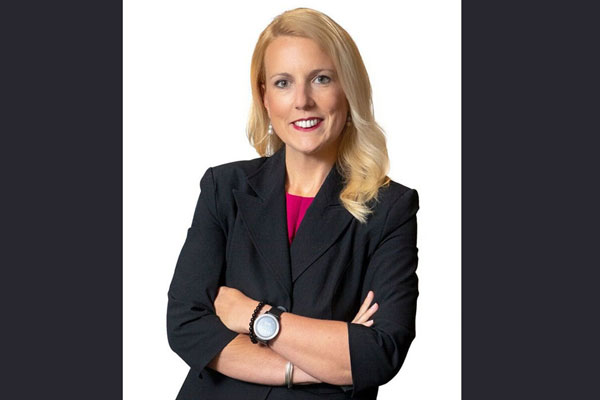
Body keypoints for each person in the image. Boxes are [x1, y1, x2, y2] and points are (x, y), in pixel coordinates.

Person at [167, 7, 419, 400]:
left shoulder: (390, 207)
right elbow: (186, 325)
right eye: (283, 83)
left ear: (348, 88)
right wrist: (315, 366)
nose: (302, 101)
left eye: (321, 79)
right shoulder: (224, 188)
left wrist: (252, 316)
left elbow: (378, 353)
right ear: (265, 97)